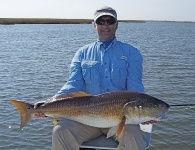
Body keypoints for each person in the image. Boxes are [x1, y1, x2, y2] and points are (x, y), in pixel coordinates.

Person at [35, 6, 154, 150]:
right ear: (94, 25)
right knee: (60, 131)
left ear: (117, 25)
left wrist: (145, 112)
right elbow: (73, 84)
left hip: (121, 119)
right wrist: (49, 102)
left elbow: (135, 88)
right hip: (86, 118)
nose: (105, 25)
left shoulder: (132, 53)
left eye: (110, 21)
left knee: (133, 135)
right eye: (101, 21)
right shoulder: (82, 53)